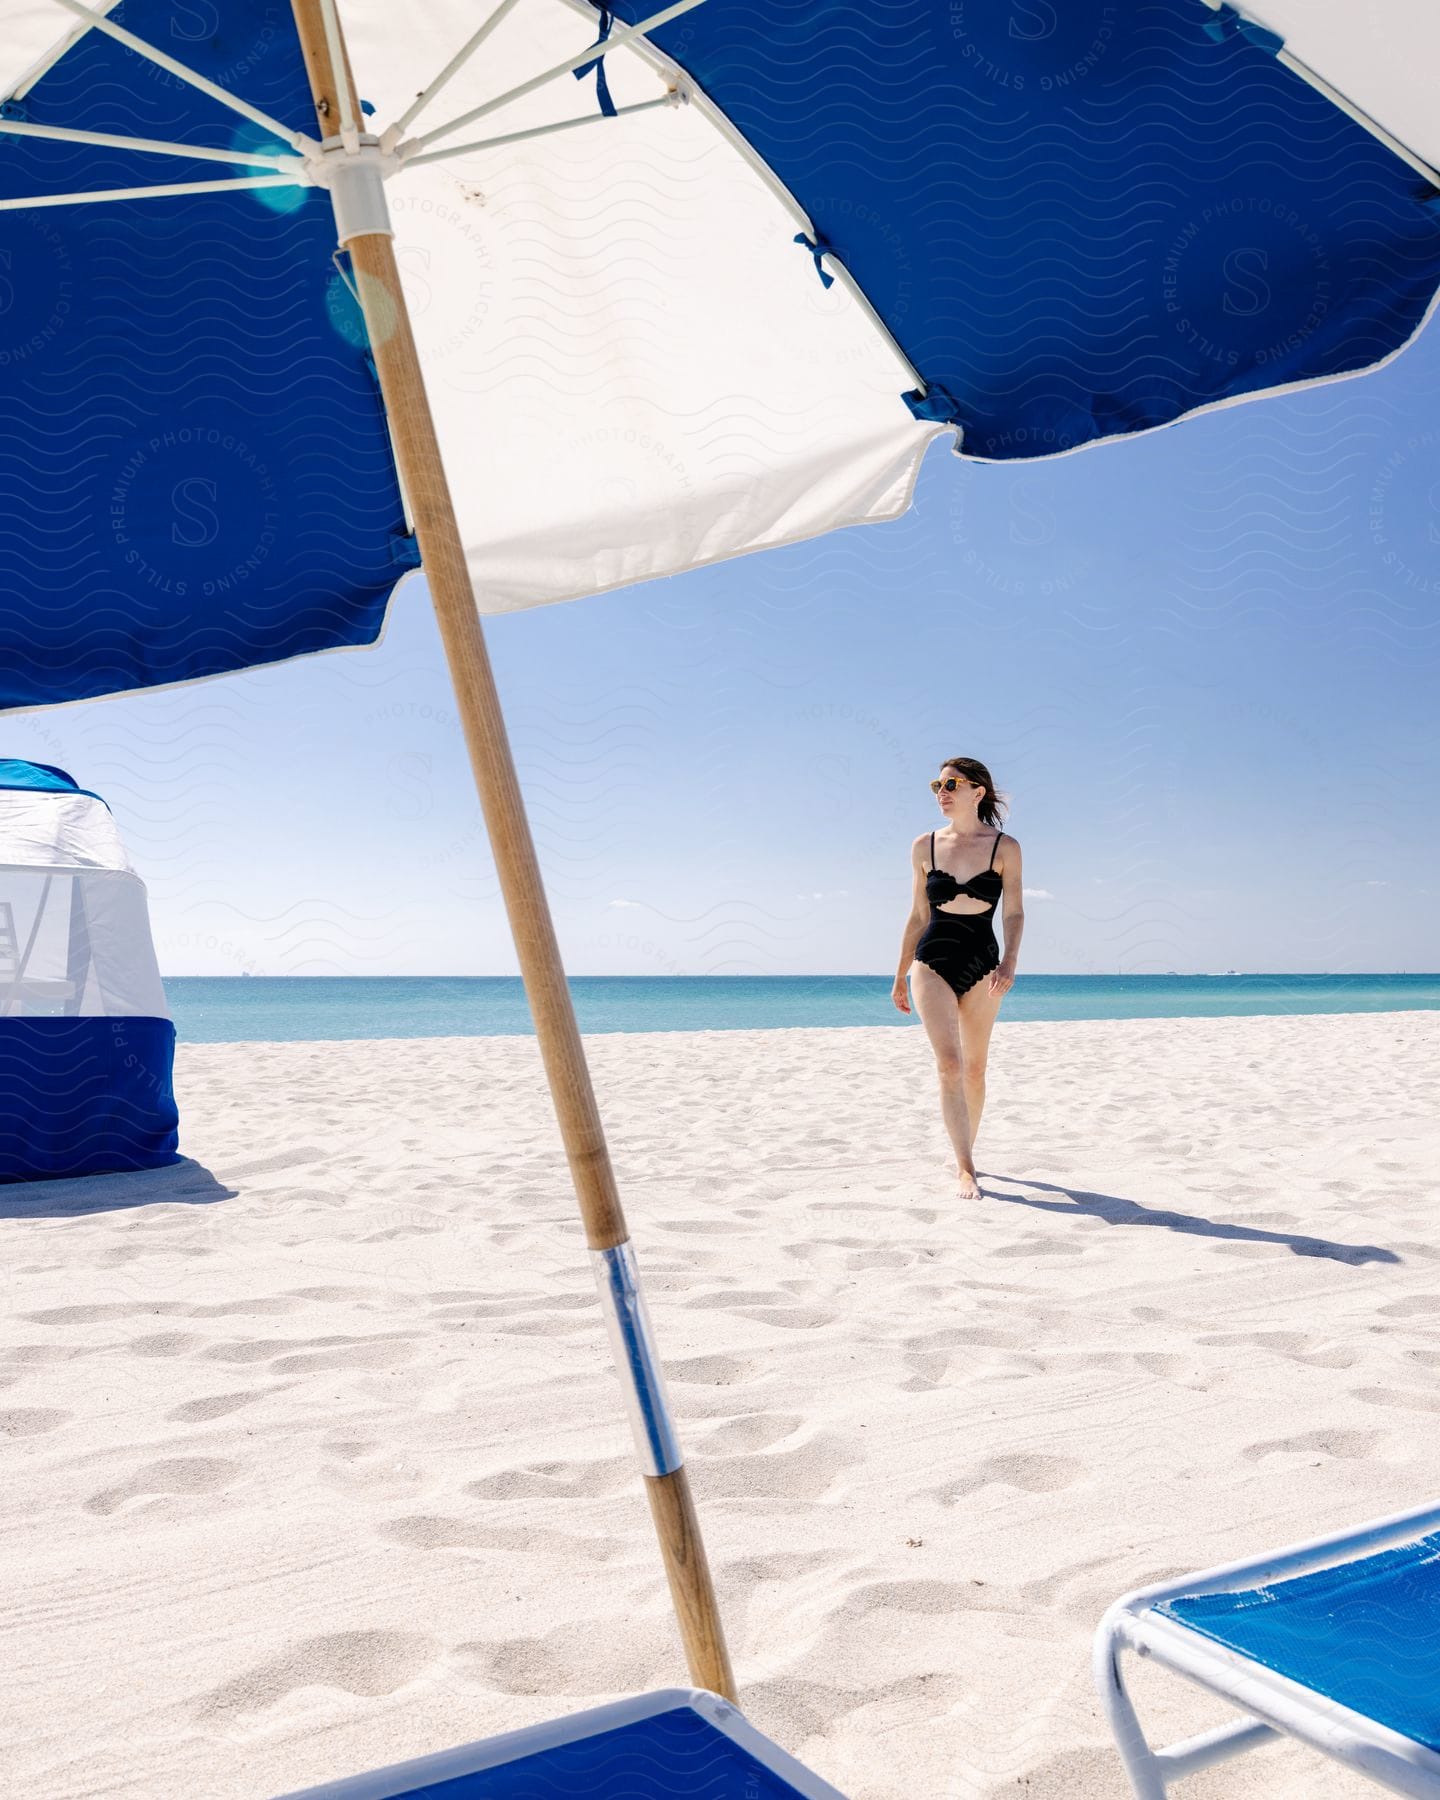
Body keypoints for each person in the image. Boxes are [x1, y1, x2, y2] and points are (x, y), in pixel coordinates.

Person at [892, 757, 1023, 1198]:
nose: (941, 792)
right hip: (932, 960)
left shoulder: (1004, 848)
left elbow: (1015, 911)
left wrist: (1009, 963)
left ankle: (968, 1146)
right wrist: (898, 976)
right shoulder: (924, 846)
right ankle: (965, 1167)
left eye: (951, 784)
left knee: (975, 1068)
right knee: (949, 1065)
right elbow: (916, 915)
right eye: (936, 784)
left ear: (977, 791)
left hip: (984, 962)